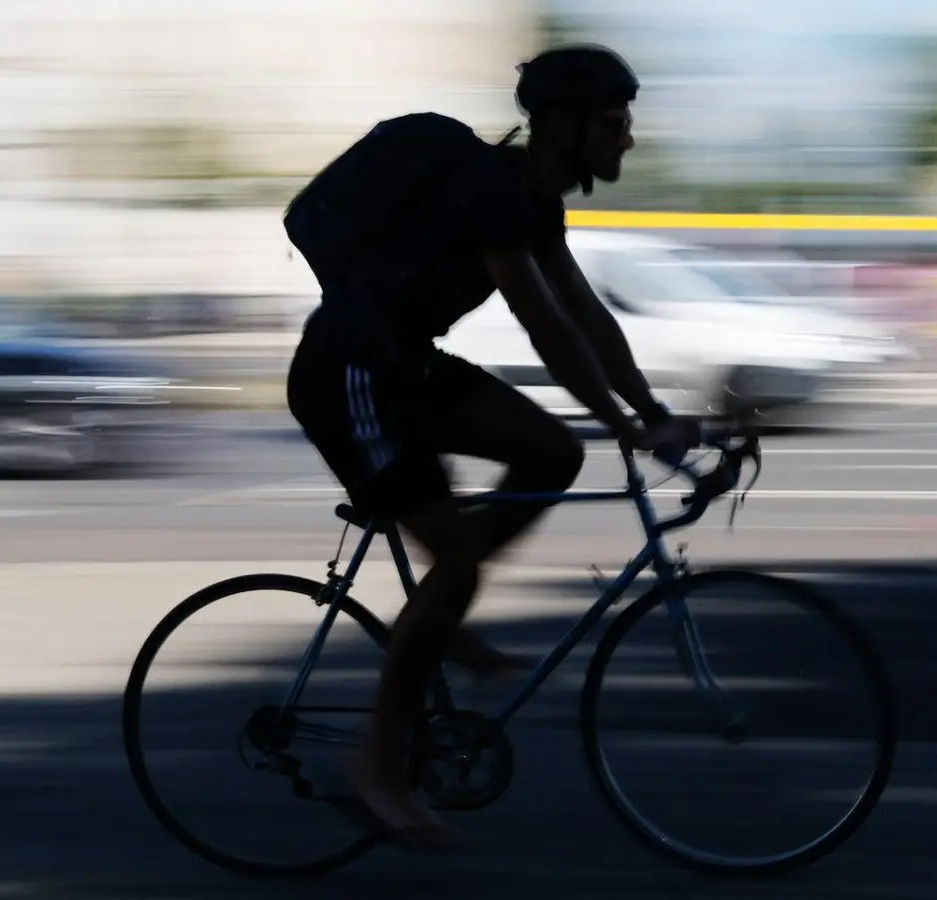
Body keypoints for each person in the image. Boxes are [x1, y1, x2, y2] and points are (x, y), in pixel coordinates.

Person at [282, 43, 700, 849]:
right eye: (613, 122)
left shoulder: (535, 204)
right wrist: (627, 426)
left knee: (553, 453)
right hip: (349, 377)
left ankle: (440, 611)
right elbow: (547, 329)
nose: (627, 137)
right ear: (562, 124)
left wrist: (651, 409)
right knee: (461, 566)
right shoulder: (492, 192)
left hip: (406, 367)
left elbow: (586, 314)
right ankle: (377, 766)